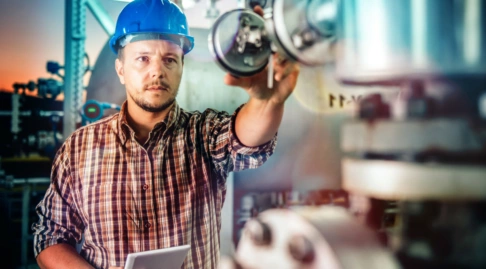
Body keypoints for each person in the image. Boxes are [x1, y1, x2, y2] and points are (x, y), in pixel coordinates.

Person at [32, 0, 299, 268]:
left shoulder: (203, 135)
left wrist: (268, 101)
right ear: (121, 70)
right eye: (142, 59)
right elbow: (49, 237)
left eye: (169, 60)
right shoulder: (79, 148)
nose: (157, 71)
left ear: (182, 67)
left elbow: (246, 140)